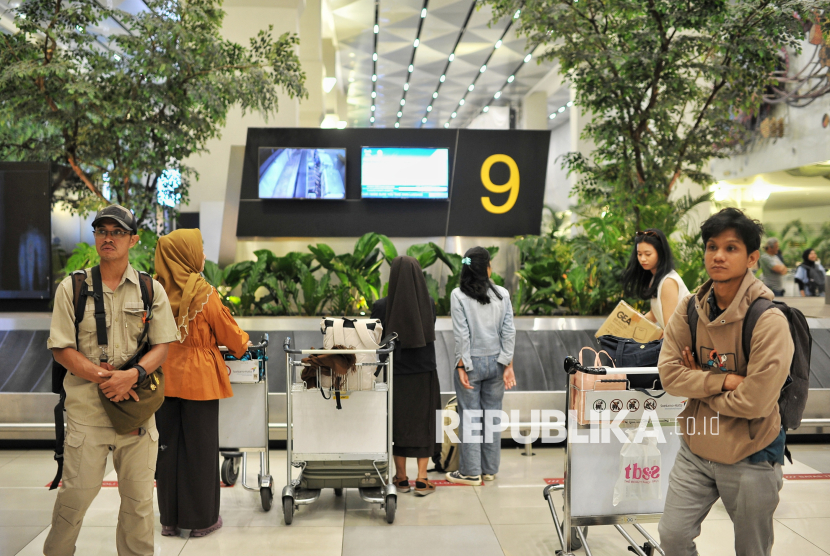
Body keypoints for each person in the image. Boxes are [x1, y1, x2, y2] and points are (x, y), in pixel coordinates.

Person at [657, 207, 793, 556]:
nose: (718, 255)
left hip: (752, 452)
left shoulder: (768, 320)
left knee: (751, 550)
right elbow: (670, 375)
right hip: (696, 448)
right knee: (672, 537)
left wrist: (701, 383)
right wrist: (728, 380)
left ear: (751, 258)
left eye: (731, 248)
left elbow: (756, 402)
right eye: (711, 246)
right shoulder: (690, 308)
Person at [45, 205, 178, 556]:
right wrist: (105, 377)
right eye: (102, 230)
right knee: (73, 500)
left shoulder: (151, 290)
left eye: (117, 232)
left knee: (138, 504)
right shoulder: (72, 288)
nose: (108, 237)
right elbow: (61, 348)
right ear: (95, 237)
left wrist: (132, 376)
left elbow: (162, 347)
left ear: (133, 239)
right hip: (87, 414)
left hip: (137, 417)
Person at [154, 228, 250, 537]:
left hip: (161, 377)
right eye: (200, 249)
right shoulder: (203, 292)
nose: (204, 255)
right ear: (187, 255)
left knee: (167, 450)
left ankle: (169, 520)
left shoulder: (154, 291)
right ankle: (201, 521)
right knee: (200, 450)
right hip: (199, 381)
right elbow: (231, 336)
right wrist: (243, 344)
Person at [370, 256, 441, 496]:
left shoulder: (381, 306)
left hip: (396, 372)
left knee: (397, 422)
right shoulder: (429, 303)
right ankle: (422, 478)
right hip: (424, 371)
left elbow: (377, 339)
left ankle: (401, 478)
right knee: (424, 423)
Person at [446, 246, 516, 486]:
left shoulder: (458, 295)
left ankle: (470, 472)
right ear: (487, 268)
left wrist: (462, 365)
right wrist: (508, 363)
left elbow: (462, 335)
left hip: (472, 363)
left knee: (470, 418)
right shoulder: (502, 294)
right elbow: (508, 332)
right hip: (497, 363)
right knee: (492, 417)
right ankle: (489, 470)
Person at [621, 228, 690, 332]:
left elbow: (671, 328)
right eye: (639, 254)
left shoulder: (668, 282)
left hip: (684, 343)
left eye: (648, 254)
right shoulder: (656, 278)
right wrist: (629, 327)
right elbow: (654, 314)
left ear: (660, 253)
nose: (642, 259)